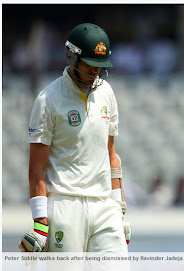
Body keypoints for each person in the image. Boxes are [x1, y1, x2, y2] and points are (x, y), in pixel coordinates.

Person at [18, 23, 131, 254]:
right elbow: (36, 168)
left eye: (100, 66)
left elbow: (111, 156)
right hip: (64, 205)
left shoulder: (107, 93)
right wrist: (40, 221)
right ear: (72, 57)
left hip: (103, 206)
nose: (95, 71)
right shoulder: (48, 99)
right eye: (90, 64)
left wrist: (118, 208)